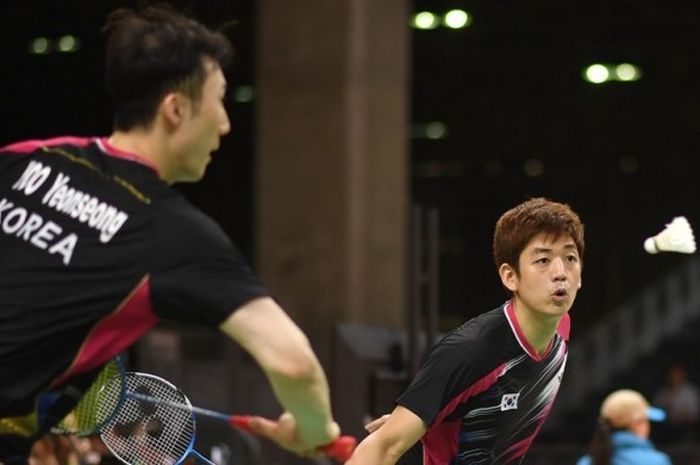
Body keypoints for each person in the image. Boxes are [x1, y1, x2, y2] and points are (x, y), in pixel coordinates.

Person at [0, 5, 340, 463]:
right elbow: (293, 362)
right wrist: (315, 431)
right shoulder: (172, 234)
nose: (225, 123)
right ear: (176, 109)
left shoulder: (24, 157)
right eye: (219, 99)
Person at [346, 197, 584, 465]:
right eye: (542, 260)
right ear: (510, 276)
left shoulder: (560, 327)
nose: (561, 272)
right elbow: (382, 447)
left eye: (570, 257)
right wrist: (411, 423)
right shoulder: (471, 351)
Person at [576, 389, 671, 465]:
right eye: (645, 421)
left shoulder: (586, 462)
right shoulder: (657, 461)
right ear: (634, 424)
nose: (648, 426)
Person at [653, 364, 700, 443]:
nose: (674, 378)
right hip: (665, 425)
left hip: (684, 426)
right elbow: (656, 410)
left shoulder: (690, 392)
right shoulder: (663, 392)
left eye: (677, 375)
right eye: (672, 375)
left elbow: (694, 413)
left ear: (683, 376)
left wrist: (680, 415)